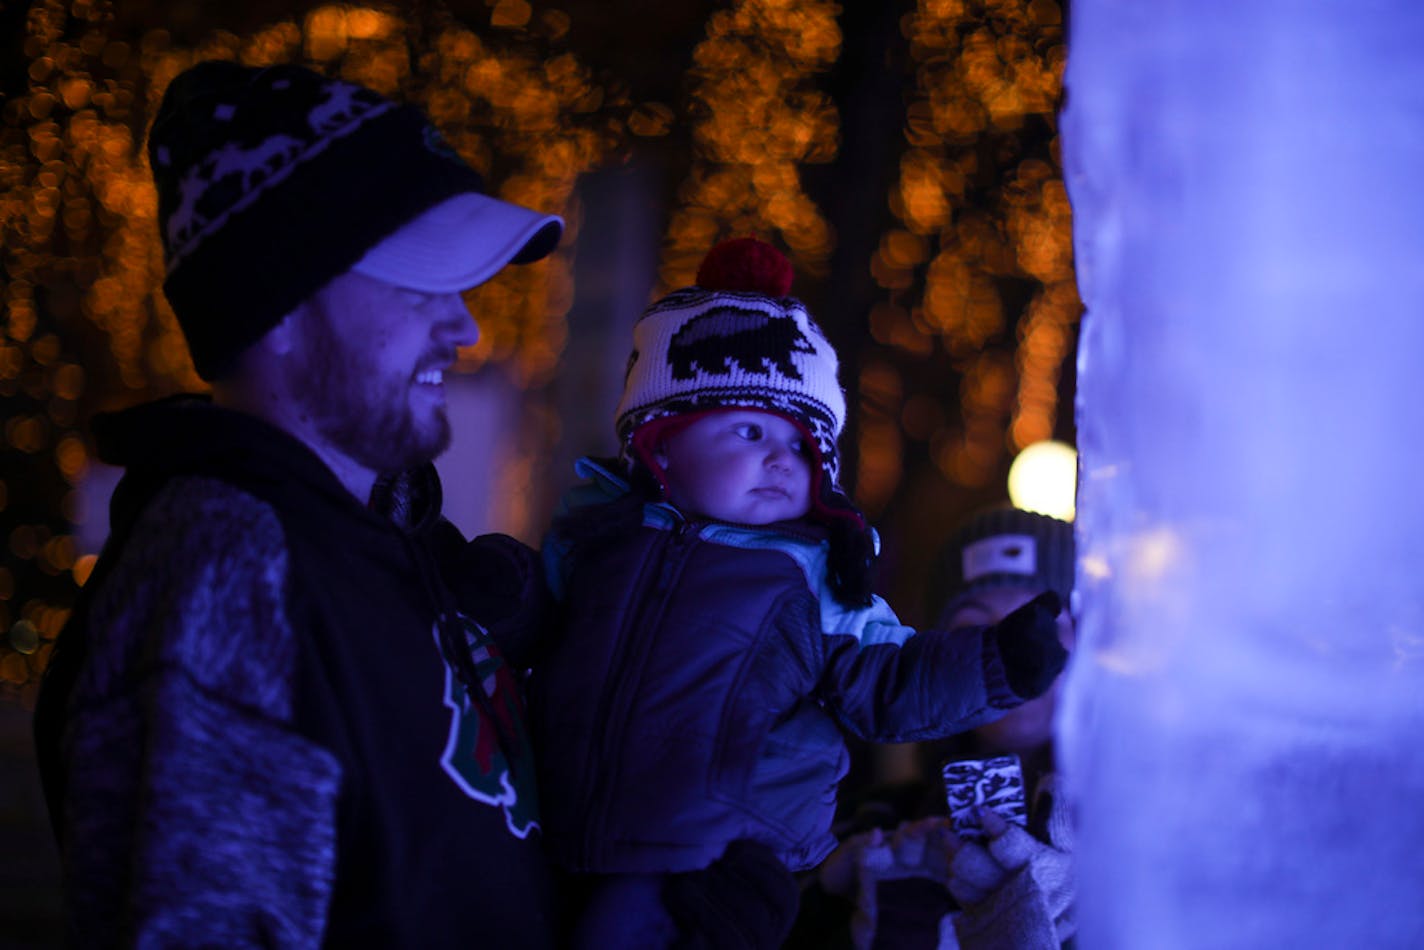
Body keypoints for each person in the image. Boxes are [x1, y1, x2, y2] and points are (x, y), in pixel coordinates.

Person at [31, 60, 567, 947]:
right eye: (419, 283)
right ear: (275, 304)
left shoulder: (391, 548)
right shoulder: (228, 569)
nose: (466, 326)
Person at [526, 238, 1071, 948]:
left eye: (801, 444)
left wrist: (997, 662)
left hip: (720, 854)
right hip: (566, 829)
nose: (781, 460)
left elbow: (893, 675)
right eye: (751, 431)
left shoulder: (811, 577)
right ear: (660, 445)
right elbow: (542, 631)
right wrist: (501, 598)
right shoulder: (597, 538)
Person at [812, 506, 1078, 949]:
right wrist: (828, 910)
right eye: (975, 627)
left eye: (1043, 623)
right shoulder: (866, 828)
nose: (1016, 650)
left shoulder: (1156, 825)